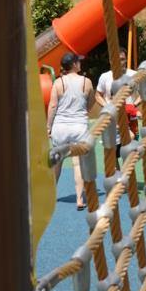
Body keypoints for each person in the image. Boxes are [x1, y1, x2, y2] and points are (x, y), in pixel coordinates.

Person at [46, 52, 97, 207]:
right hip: (78, 127)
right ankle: (79, 199)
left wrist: (49, 126)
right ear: (74, 64)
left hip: (60, 126)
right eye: (78, 62)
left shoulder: (58, 82)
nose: (80, 64)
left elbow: (53, 106)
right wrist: (83, 111)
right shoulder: (86, 82)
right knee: (77, 163)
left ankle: (50, 196)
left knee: (57, 163)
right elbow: (91, 102)